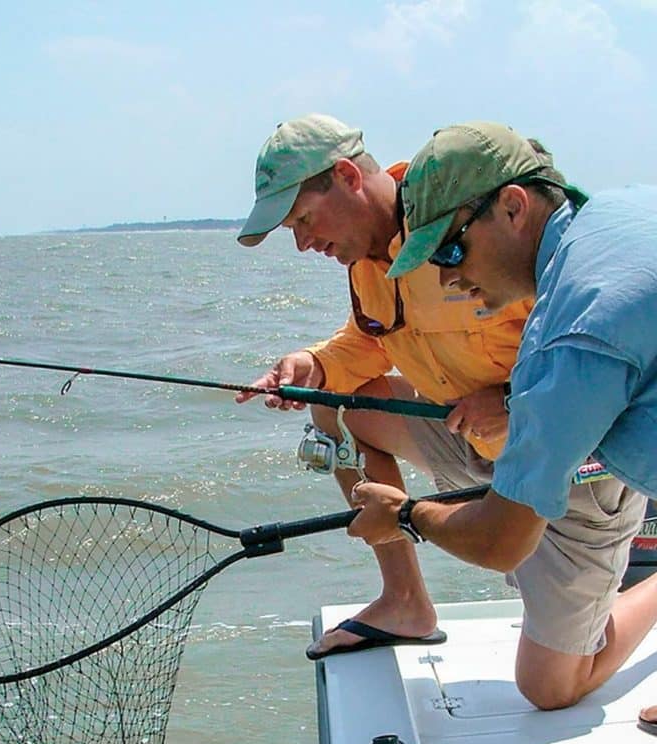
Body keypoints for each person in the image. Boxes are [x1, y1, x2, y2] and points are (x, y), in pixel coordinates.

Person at [341, 120, 657, 744]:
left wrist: (406, 518)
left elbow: (502, 535)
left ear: (513, 208)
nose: (452, 277)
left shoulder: (575, 327)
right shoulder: (622, 220)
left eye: (452, 248)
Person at [236, 114, 645, 711]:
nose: (449, 274)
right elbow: (373, 340)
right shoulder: (374, 263)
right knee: (345, 408)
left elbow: (580, 369)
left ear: (347, 177)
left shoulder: (505, 243)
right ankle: (405, 598)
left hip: (573, 472)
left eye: (301, 220)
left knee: (550, 689)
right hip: (476, 447)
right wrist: (313, 367)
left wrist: (410, 508)